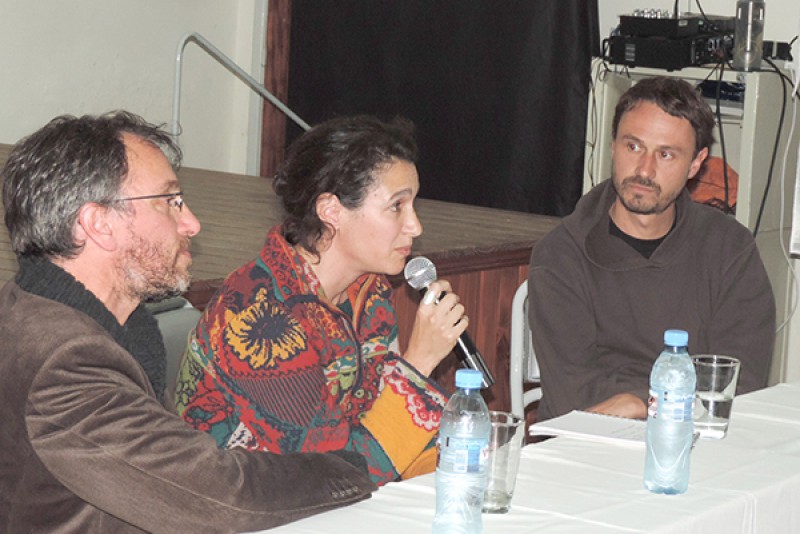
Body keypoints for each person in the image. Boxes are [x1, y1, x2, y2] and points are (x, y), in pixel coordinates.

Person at [0, 112, 376, 533]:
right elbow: (221, 496)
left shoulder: (49, 314)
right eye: (170, 201)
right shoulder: (63, 363)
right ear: (99, 224)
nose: (191, 223)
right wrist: (347, 470)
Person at [174, 115, 468, 485]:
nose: (415, 226)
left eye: (413, 205)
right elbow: (336, 474)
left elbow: (374, 431)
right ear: (331, 211)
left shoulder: (370, 292)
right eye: (397, 206)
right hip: (239, 505)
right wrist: (419, 363)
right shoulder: (258, 318)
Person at [528, 77, 775, 421]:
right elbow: (574, 394)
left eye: (666, 154)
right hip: (592, 440)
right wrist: (669, 401)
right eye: (633, 147)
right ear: (613, 146)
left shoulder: (729, 248)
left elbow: (738, 384)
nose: (645, 170)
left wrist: (641, 404)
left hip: (699, 438)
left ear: (696, 163)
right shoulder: (561, 255)